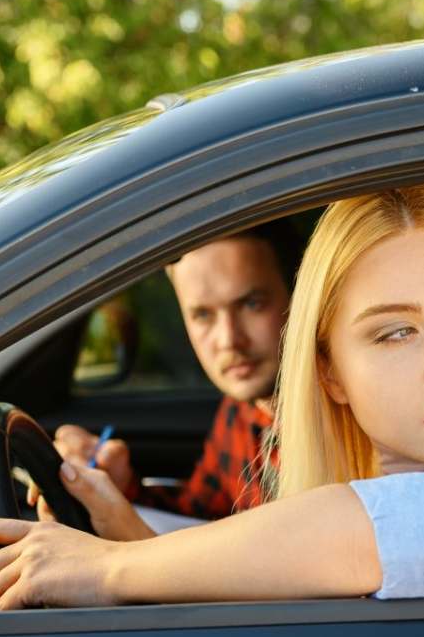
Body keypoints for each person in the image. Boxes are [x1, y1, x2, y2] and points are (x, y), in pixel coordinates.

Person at [0, 182, 424, 608]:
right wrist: (131, 537)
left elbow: (378, 534)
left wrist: (115, 570)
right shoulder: (331, 508)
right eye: (397, 333)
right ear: (328, 370)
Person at [49, 220, 301, 536]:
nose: (229, 340)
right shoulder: (240, 410)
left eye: (251, 304)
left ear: (298, 297)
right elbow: (198, 515)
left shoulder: (343, 420)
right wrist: (119, 488)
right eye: (203, 315)